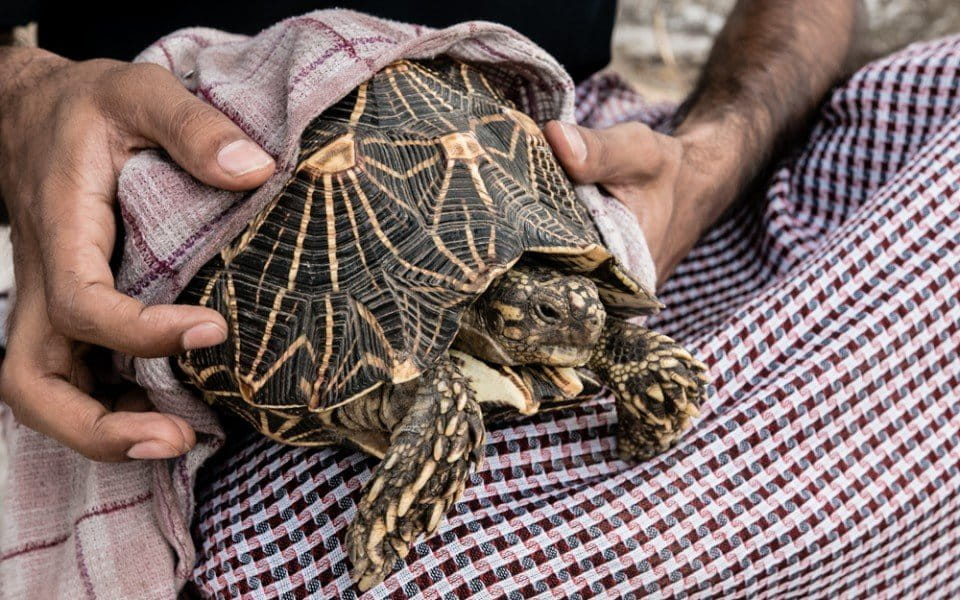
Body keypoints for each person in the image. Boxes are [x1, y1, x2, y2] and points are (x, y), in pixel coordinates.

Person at [0, 0, 859, 462]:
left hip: (553, 151)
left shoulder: (579, 302)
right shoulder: (441, 380)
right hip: (155, 166)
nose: (583, 318)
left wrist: (713, 154)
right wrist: (20, 93)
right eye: (553, 315)